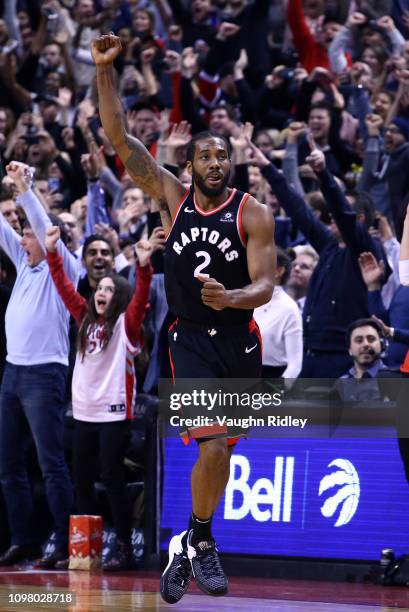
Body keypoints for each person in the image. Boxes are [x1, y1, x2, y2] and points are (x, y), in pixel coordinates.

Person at [91, 33, 275, 604]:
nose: (216, 162)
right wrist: (105, 70)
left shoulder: (254, 213)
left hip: (240, 339)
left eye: (223, 155)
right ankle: (202, 542)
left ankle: (193, 539)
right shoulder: (172, 197)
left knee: (219, 457)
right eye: (206, 156)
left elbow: (267, 286)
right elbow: (118, 136)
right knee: (213, 446)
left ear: (231, 162)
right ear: (189, 164)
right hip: (190, 339)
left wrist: (233, 297)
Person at [44, 225, 152, 571]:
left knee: (112, 478)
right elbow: (62, 288)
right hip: (84, 414)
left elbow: (140, 300)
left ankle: (124, 546)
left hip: (114, 414)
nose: (102, 292)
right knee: (82, 481)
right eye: (100, 289)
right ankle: (85, 549)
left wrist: (143, 266)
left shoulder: (126, 325)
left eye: (109, 289)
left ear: (118, 297)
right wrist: (52, 253)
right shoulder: (85, 318)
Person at [0, 161, 77, 569]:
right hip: (12, 373)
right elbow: (2, 225)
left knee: (51, 464)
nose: (22, 236)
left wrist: (24, 188)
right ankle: (23, 539)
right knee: (8, 464)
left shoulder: (62, 264)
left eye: (28, 232)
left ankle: (65, 542)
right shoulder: (23, 264)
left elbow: (42, 221)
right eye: (23, 233)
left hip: (45, 373)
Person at [254, 248, 303, 379]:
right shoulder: (244, 298)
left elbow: (295, 366)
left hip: (273, 380)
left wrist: (274, 391)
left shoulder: (289, 308)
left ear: (279, 271)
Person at [337, 318, 389, 402]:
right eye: (359, 340)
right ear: (350, 349)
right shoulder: (341, 383)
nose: (365, 344)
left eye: (371, 339)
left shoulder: (394, 381)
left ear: (382, 345)